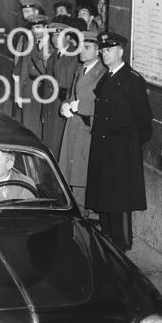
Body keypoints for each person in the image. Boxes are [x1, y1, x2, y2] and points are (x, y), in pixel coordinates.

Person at [85, 32, 153, 251]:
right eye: (103, 50)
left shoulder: (132, 79)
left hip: (122, 148)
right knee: (105, 193)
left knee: (120, 198)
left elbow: (144, 120)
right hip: (104, 145)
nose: (104, 54)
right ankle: (107, 235)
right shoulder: (107, 76)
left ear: (121, 52)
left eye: (109, 50)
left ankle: (122, 242)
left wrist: (129, 144)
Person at [58, 29, 105, 209]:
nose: (81, 51)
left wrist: (82, 106)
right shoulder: (81, 69)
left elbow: (105, 105)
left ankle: (84, 213)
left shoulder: (102, 73)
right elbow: (71, 95)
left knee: (81, 175)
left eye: (87, 48)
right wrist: (65, 105)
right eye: (80, 47)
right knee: (71, 171)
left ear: (98, 51)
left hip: (87, 128)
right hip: (73, 126)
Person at [40, 21, 79, 155]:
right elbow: (47, 86)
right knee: (48, 145)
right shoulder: (53, 57)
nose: (54, 39)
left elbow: (74, 86)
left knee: (60, 148)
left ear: (68, 37)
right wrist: (43, 112)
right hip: (50, 109)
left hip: (62, 107)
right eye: (53, 36)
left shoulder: (75, 57)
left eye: (58, 36)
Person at [15, 13, 52, 138]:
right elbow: (24, 70)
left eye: (38, 27)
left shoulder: (53, 45)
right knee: (28, 127)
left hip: (44, 89)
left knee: (42, 128)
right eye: (33, 28)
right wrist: (20, 94)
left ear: (46, 27)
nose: (35, 31)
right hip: (29, 90)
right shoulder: (28, 44)